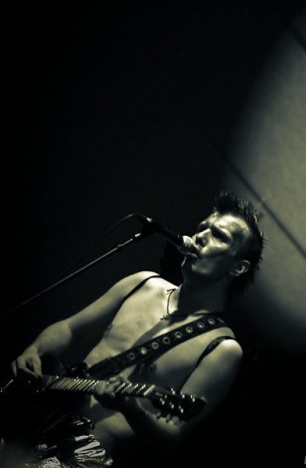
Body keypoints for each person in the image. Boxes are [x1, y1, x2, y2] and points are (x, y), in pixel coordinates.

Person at [4, 191, 264, 467]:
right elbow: (70, 328)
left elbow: (172, 435)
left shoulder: (222, 348)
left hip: (82, 456)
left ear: (238, 267)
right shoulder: (143, 283)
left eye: (219, 236)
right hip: (36, 417)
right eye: (202, 228)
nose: (200, 236)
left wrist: (131, 408)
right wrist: (35, 350)